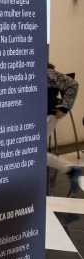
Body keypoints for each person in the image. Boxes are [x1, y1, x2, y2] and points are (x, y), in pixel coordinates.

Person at [46, 63, 80, 194]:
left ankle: (69, 170)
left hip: (48, 114)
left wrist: (65, 108)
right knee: (34, 151)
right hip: (37, 115)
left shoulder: (47, 73)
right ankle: (70, 170)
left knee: (34, 151)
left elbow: (72, 84)